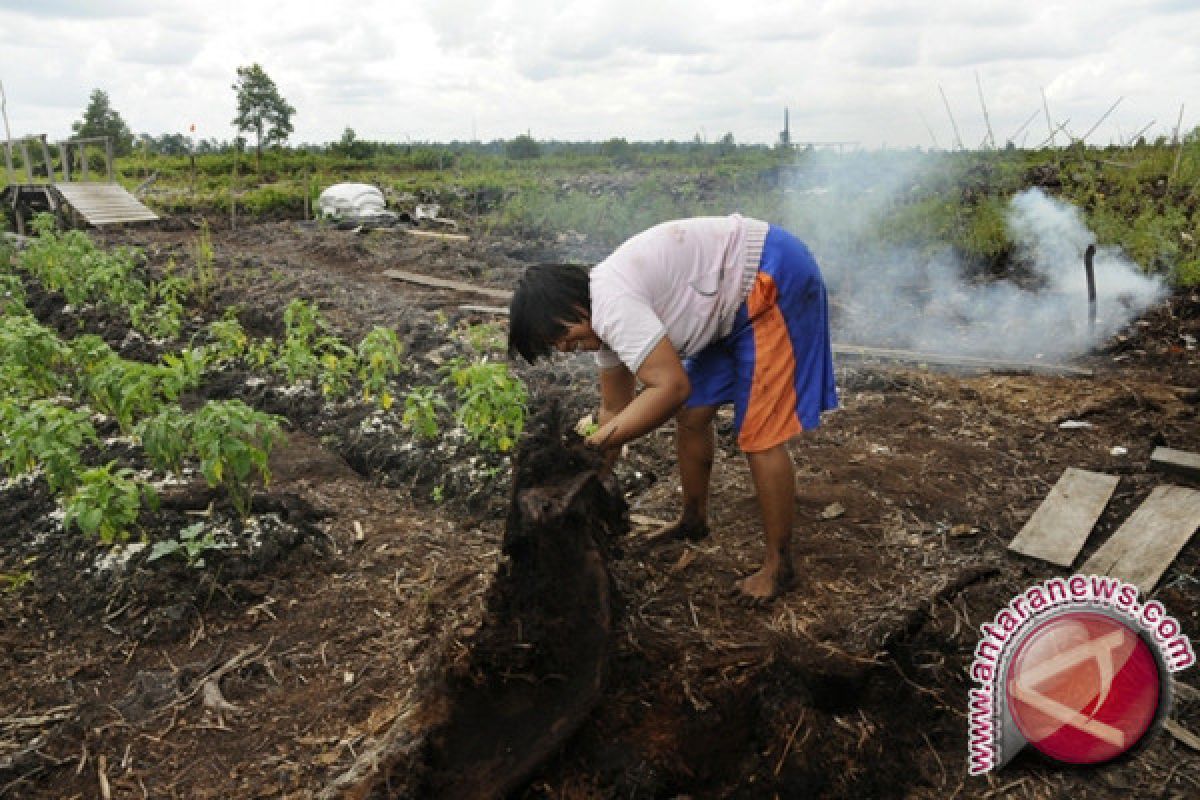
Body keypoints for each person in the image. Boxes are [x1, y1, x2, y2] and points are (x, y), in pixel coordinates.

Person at [508, 214, 837, 601]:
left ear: (575, 308)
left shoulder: (611, 305)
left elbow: (671, 387)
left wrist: (592, 446)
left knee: (758, 436)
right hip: (729, 306)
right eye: (554, 347)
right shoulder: (605, 320)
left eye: (561, 336)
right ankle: (693, 521)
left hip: (770, 277)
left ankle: (779, 567)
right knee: (693, 415)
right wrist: (588, 473)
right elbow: (615, 411)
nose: (565, 349)